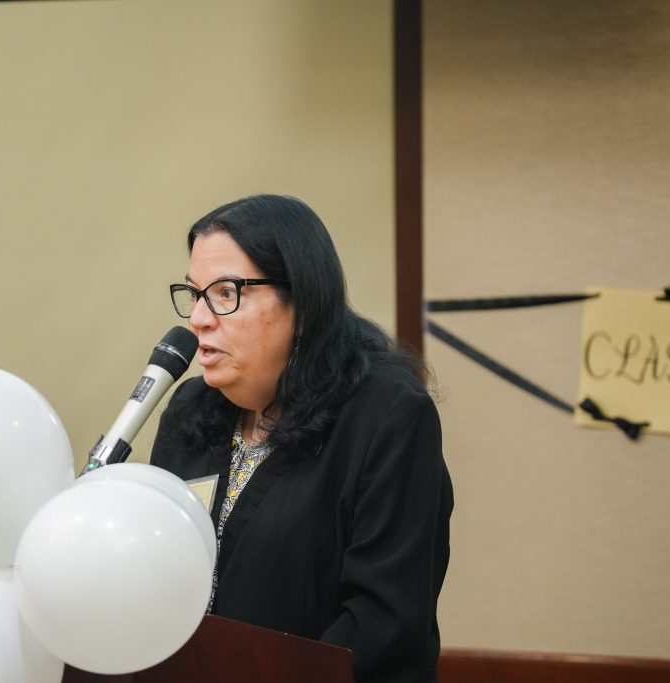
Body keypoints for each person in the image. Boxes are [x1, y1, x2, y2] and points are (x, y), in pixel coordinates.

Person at [150, 194, 453, 683]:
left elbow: (384, 621)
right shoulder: (191, 410)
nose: (199, 319)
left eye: (226, 293)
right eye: (194, 294)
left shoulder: (388, 416)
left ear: (303, 302)